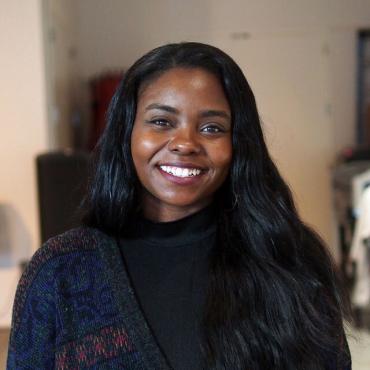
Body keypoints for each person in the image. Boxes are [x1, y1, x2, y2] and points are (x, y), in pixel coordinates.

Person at [7, 42, 352, 370]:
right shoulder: (60, 271)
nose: (185, 143)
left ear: (238, 144)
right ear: (127, 132)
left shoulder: (290, 262)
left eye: (212, 127)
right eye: (161, 121)